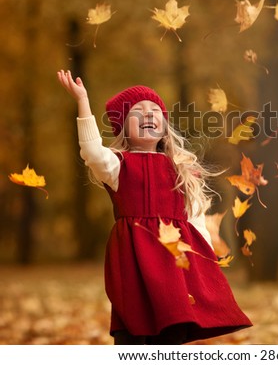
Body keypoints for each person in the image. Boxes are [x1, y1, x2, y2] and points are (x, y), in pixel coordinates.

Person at [57, 70, 252, 345]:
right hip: (133, 260)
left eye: (155, 111)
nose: (148, 115)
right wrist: (83, 101)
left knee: (172, 328)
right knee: (134, 329)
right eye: (138, 111)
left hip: (175, 261)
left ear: (164, 125)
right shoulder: (116, 165)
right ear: (123, 126)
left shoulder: (181, 168)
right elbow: (90, 150)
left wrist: (208, 256)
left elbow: (195, 218)